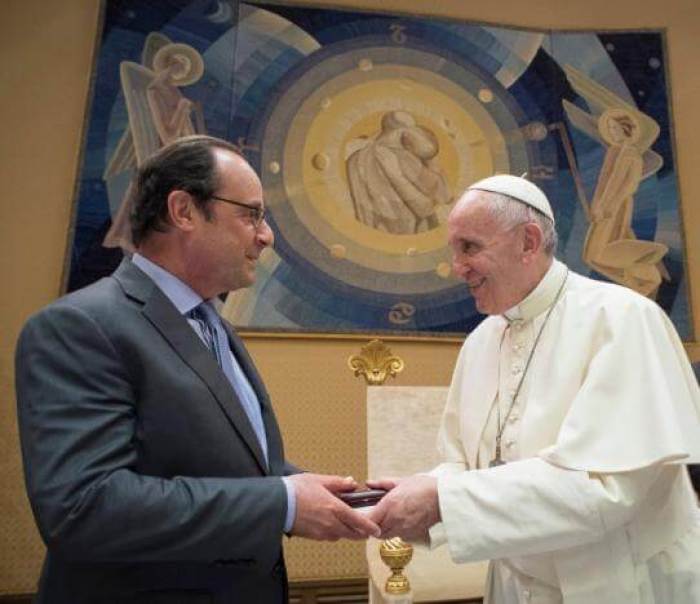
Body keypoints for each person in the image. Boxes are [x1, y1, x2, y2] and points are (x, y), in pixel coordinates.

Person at [15, 135, 379, 604]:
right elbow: (85, 508)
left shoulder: (212, 326)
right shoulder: (79, 327)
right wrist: (282, 503)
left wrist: (321, 494)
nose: (266, 236)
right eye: (251, 214)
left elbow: (222, 462)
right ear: (184, 210)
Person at [368, 174, 700, 603]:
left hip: (622, 582)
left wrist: (442, 500)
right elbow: (463, 465)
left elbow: (608, 489)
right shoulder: (480, 342)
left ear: (528, 241)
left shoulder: (622, 319)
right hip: (515, 584)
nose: (457, 266)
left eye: (469, 247)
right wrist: (413, 492)